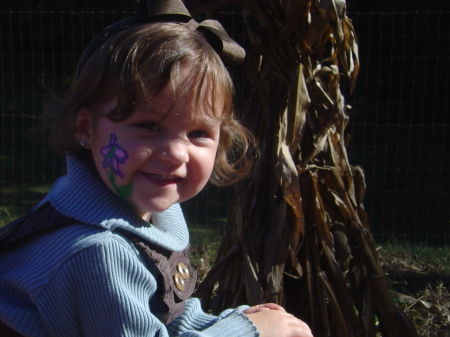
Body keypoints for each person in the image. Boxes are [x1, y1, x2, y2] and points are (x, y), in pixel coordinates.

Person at [0, 1, 313, 336]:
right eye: (149, 127)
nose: (177, 153)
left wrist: (235, 322)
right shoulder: (99, 251)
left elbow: (166, 312)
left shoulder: (152, 216)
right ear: (85, 128)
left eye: (198, 133)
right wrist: (249, 330)